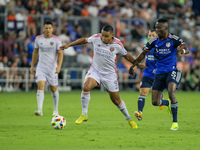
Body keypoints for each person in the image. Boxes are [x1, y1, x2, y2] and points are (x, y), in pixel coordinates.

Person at [60, 25, 145, 129]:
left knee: (116, 101)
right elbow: (84, 40)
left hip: (110, 75)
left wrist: (136, 64)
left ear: (112, 35)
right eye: (102, 35)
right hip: (95, 71)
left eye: (106, 36)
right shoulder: (96, 38)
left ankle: (129, 119)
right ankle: (84, 114)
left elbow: (127, 56)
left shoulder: (117, 44)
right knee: (86, 87)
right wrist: (69, 45)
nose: (103, 38)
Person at [129, 18, 189, 130]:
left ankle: (175, 123)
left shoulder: (173, 39)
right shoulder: (153, 41)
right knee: (155, 102)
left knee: (171, 91)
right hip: (158, 73)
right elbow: (142, 54)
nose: (157, 30)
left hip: (171, 71)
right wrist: (133, 65)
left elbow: (185, 48)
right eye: (156, 27)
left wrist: (183, 51)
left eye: (159, 28)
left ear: (165, 28)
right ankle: (167, 104)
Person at [30, 20, 63, 116]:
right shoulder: (38, 39)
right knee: (40, 86)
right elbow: (35, 52)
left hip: (52, 68)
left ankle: (56, 110)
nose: (48, 30)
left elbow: (60, 53)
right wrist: (32, 66)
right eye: (46, 28)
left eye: (49, 28)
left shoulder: (57, 40)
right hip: (41, 67)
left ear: (52, 29)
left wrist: (59, 67)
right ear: (43, 29)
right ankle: (39, 110)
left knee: (53, 89)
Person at [134, 29, 168, 121]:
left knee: (157, 102)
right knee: (142, 92)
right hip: (147, 74)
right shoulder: (146, 47)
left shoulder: (161, 47)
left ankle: (166, 103)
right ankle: (140, 113)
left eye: (153, 35)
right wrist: (137, 65)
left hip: (158, 75)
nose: (150, 37)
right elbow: (145, 59)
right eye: (149, 35)